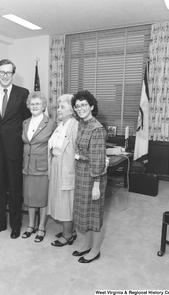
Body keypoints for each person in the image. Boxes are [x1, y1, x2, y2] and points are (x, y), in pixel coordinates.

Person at [0, 59, 31, 239]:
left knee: (15, 187)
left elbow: (25, 118)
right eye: (2, 72)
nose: (5, 76)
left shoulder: (22, 93)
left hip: (14, 147)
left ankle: (16, 225)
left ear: (13, 74)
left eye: (8, 73)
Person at [71, 90, 107, 263]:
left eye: (84, 105)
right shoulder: (81, 124)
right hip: (82, 174)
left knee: (94, 215)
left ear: (92, 106)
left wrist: (96, 185)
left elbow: (98, 160)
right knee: (85, 214)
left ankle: (95, 250)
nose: (80, 108)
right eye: (77, 106)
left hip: (94, 177)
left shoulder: (97, 128)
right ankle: (86, 244)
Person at [21, 91, 56, 243]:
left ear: (43, 106)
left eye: (38, 104)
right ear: (28, 106)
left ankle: (41, 227)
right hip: (27, 167)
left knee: (41, 198)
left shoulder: (51, 123)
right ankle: (30, 225)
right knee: (29, 197)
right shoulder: (25, 122)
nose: (34, 106)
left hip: (42, 167)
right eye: (32, 103)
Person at [47, 94, 79, 247]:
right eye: (58, 106)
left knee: (66, 201)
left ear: (72, 110)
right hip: (56, 165)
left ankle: (67, 235)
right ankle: (70, 231)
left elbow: (77, 151)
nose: (58, 110)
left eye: (62, 107)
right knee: (60, 200)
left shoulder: (75, 125)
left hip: (66, 167)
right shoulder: (61, 124)